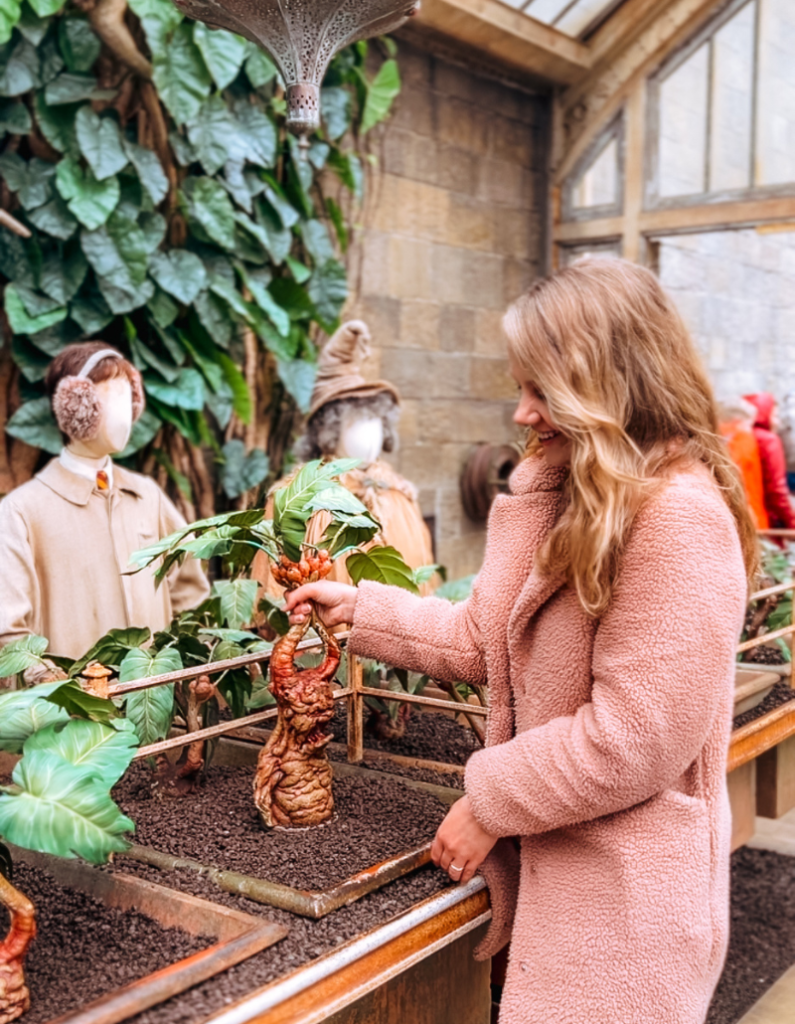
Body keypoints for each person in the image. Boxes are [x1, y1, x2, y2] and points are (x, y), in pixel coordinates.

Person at [283, 258, 755, 1024]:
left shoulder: (676, 518)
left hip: (624, 917)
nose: (521, 413)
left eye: (540, 390)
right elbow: (486, 638)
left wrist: (488, 802)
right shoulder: (579, 494)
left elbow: (632, 740)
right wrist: (361, 611)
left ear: (605, 388)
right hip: (562, 882)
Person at [0, 342, 209, 668]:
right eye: (111, 398)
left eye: (128, 398)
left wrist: (192, 671)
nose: (123, 412)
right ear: (74, 406)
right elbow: (10, 634)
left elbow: (190, 594)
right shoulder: (22, 511)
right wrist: (51, 686)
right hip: (73, 711)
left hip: (156, 704)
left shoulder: (148, 496)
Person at [744, 392, 795, 530]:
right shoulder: (768, 440)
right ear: (764, 414)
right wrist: (792, 523)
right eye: (775, 416)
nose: (778, 422)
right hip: (765, 520)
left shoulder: (740, 435)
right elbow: (776, 489)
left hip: (745, 515)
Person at [717, 398, 769, 529]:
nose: (751, 430)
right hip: (748, 517)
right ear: (737, 422)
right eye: (749, 425)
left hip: (742, 516)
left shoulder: (722, 441)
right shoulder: (742, 440)